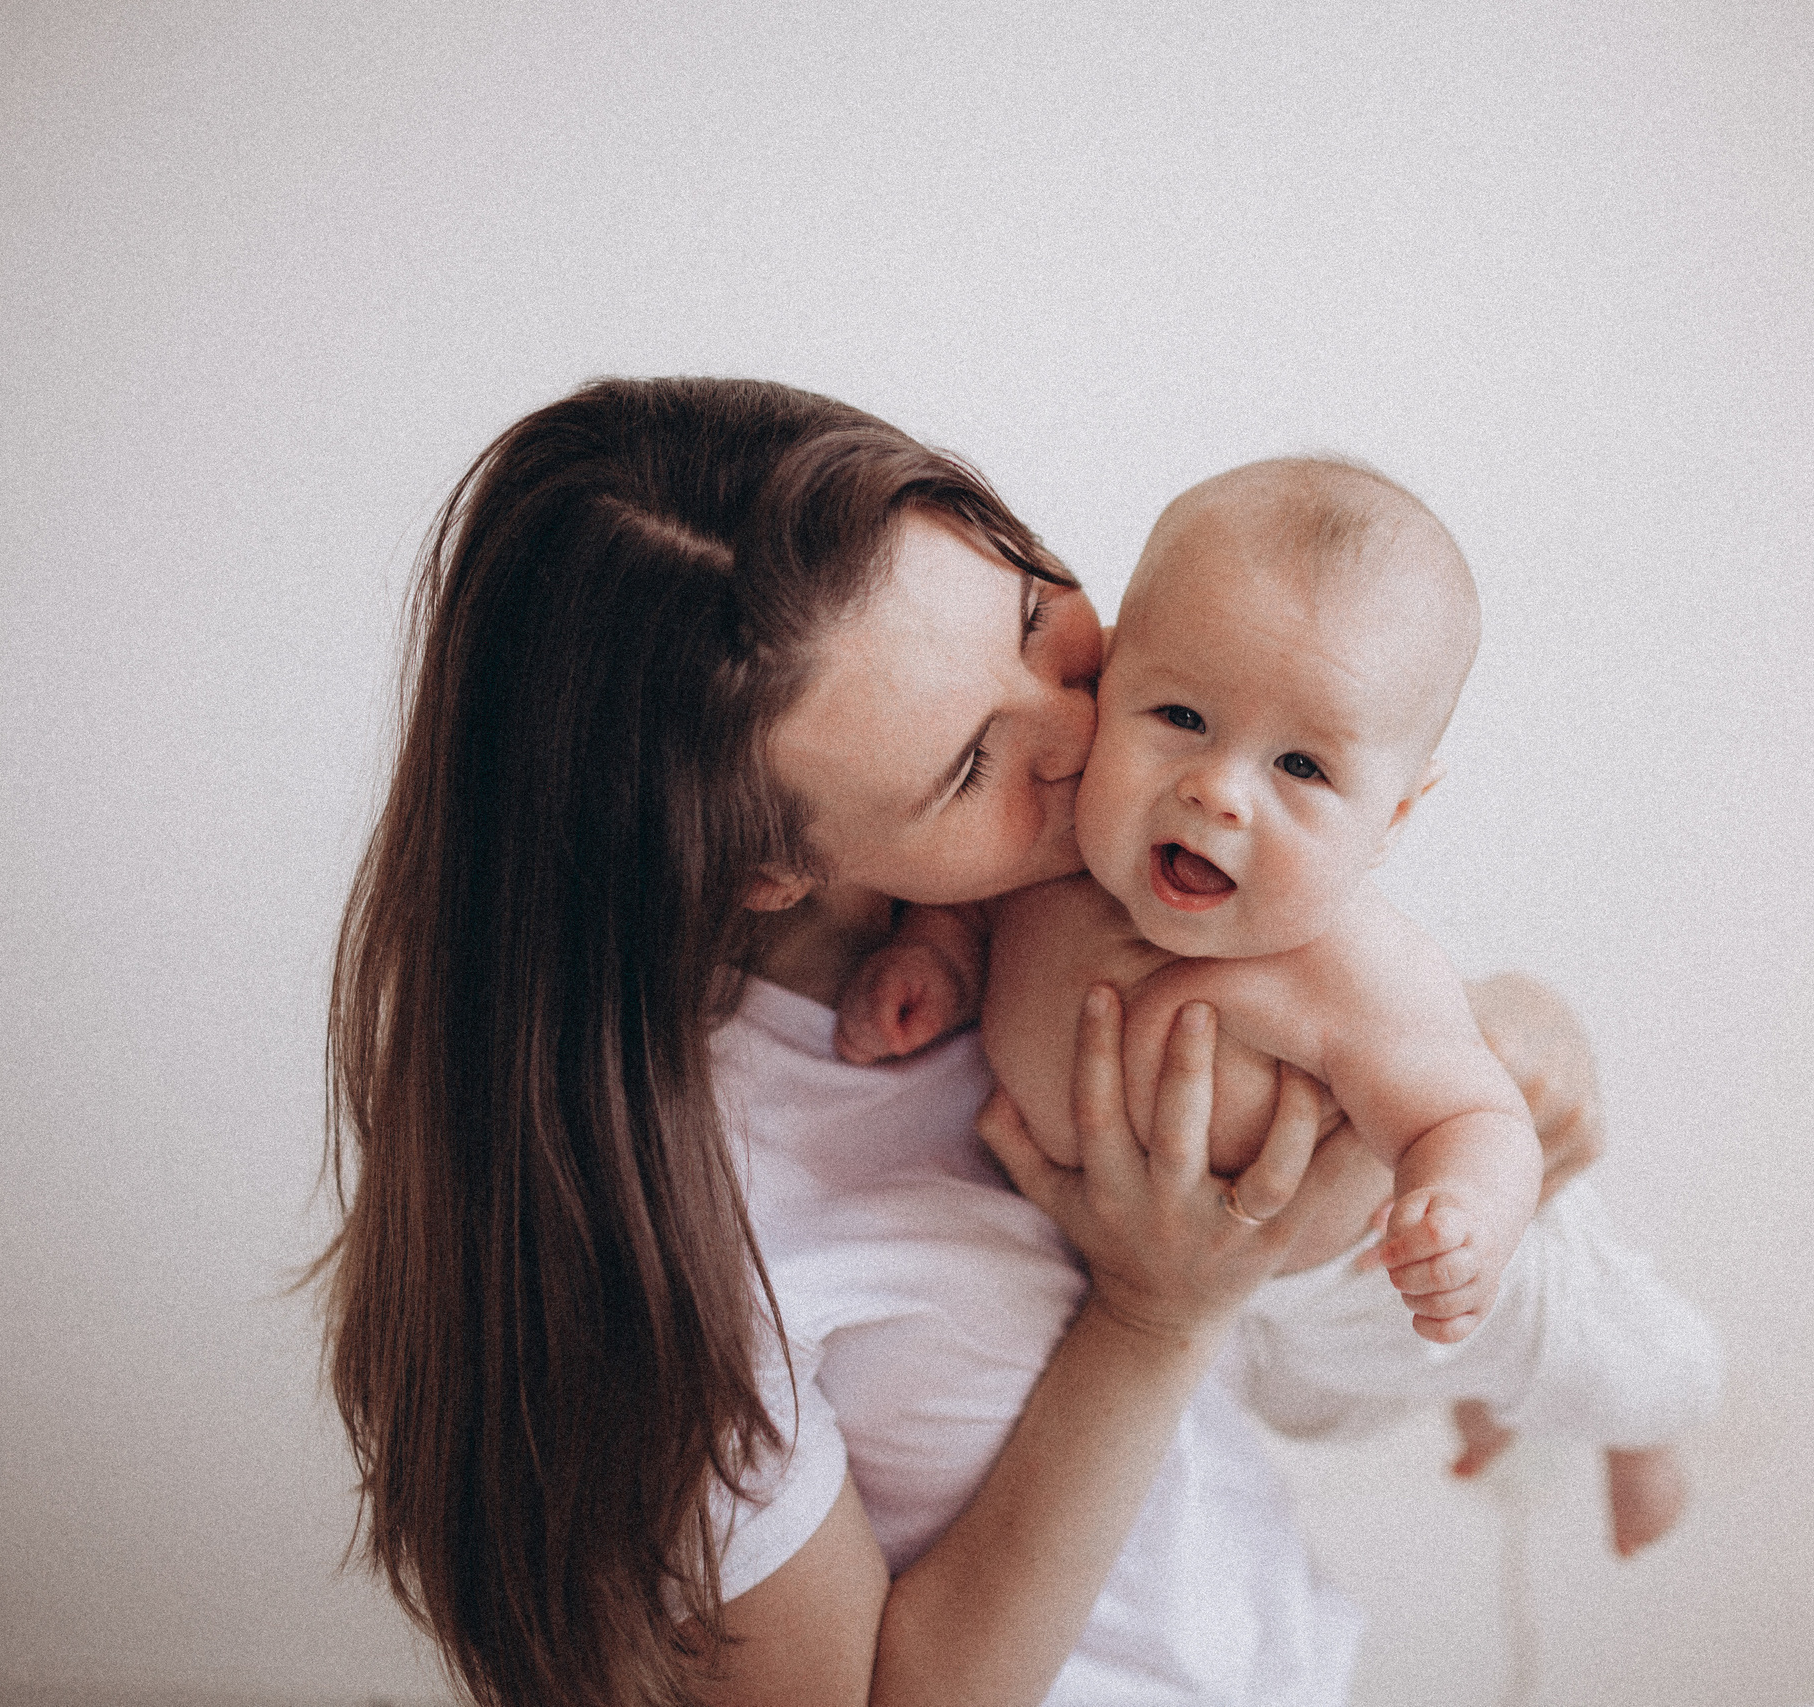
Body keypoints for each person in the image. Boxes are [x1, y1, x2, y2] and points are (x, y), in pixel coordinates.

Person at [315, 378, 1609, 1707]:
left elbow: (1313, 1300)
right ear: (765, 864)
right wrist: (1155, 1315)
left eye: (1037, 617)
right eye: (970, 764)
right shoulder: (664, 1249)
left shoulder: (1085, 860)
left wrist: (1504, 1036)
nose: (1088, 731)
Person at [838, 457, 1721, 1556]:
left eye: (1300, 765)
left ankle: (1650, 1438)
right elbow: (966, 917)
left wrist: (1463, 1221)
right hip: (1230, 1300)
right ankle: (1484, 1401)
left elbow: (1474, 1115)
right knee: (1314, 1413)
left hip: (1369, 1272)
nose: (1218, 788)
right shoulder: (1048, 870)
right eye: (1181, 715)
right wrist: (931, 961)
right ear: (1107, 688)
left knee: (1598, 1356)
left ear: (1391, 817)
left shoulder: (1350, 968)